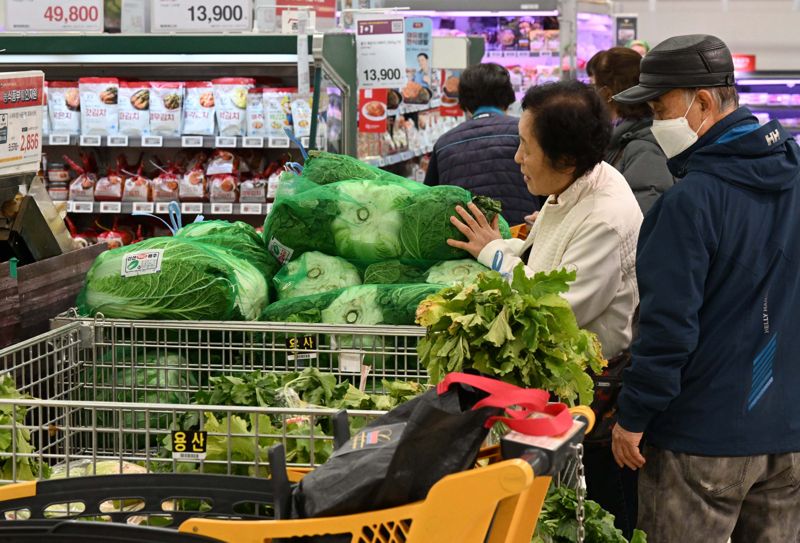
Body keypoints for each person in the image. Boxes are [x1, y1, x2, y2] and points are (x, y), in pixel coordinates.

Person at [611, 34, 800, 542]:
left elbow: (668, 326)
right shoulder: (794, 175)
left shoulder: (690, 202)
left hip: (702, 439)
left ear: (702, 103)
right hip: (787, 436)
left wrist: (634, 415)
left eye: (659, 106)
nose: (654, 122)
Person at [446, 80, 642, 359]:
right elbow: (546, 260)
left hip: (578, 372)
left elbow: (554, 310)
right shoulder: (578, 180)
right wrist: (504, 246)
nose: (517, 158)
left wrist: (495, 253)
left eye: (526, 148)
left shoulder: (604, 220)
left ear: (565, 160)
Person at [424, 63, 541, 226]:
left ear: (464, 99)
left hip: (466, 243)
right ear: (508, 95)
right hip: (523, 238)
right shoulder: (526, 133)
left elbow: (429, 201)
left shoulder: (444, 143)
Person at [588, 47, 674, 213]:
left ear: (606, 93)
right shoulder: (624, 138)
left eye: (593, 86)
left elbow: (642, 218)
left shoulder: (643, 147)